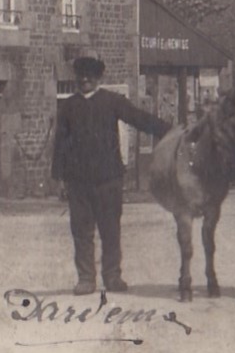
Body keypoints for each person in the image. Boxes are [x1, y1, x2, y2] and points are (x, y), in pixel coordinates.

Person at [51, 49, 170, 295]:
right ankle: (86, 278)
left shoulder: (113, 101)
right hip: (78, 181)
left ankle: (112, 277)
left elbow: (139, 118)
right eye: (81, 74)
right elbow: (59, 144)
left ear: (99, 77)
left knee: (110, 230)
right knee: (81, 231)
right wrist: (60, 178)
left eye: (91, 74)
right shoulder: (68, 106)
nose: (85, 79)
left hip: (108, 180)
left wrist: (169, 131)